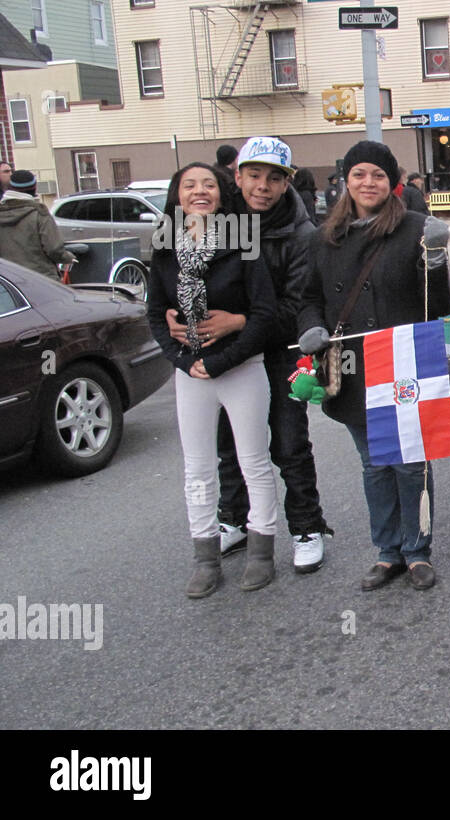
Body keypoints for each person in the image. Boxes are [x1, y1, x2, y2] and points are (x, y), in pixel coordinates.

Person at [164, 137, 333, 573]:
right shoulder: (219, 221)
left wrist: (241, 323)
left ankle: (306, 526)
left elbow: (297, 306)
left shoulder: (301, 234)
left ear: (286, 183)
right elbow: (180, 275)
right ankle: (234, 520)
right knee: (227, 444)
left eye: (273, 178)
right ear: (236, 177)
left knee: (289, 441)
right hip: (228, 353)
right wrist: (171, 315)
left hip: (281, 350)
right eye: (253, 175)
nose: (262, 186)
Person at [297, 140, 450, 592]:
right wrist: (311, 327)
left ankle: (417, 551)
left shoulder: (418, 229)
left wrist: (438, 260)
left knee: (410, 465)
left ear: (392, 183)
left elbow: (438, 305)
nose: (369, 183)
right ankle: (387, 552)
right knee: (373, 465)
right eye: (360, 174)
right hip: (353, 369)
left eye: (378, 176)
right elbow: (308, 298)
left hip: (406, 365)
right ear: (346, 180)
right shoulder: (324, 237)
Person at [146, 162, 278, 598]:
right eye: (188, 185)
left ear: (222, 194)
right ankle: (205, 558)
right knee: (198, 469)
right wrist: (184, 363)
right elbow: (156, 315)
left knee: (253, 462)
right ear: (176, 195)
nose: (199, 192)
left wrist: (224, 354)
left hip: (240, 366)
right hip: (191, 372)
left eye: (208, 185)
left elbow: (263, 314)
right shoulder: (165, 245)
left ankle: (262, 550)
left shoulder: (243, 241)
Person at [0, 170, 74, 280]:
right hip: (41, 279)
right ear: (34, 187)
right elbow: (54, 249)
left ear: (10, 187)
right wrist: (68, 257)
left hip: (9, 282)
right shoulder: (39, 213)